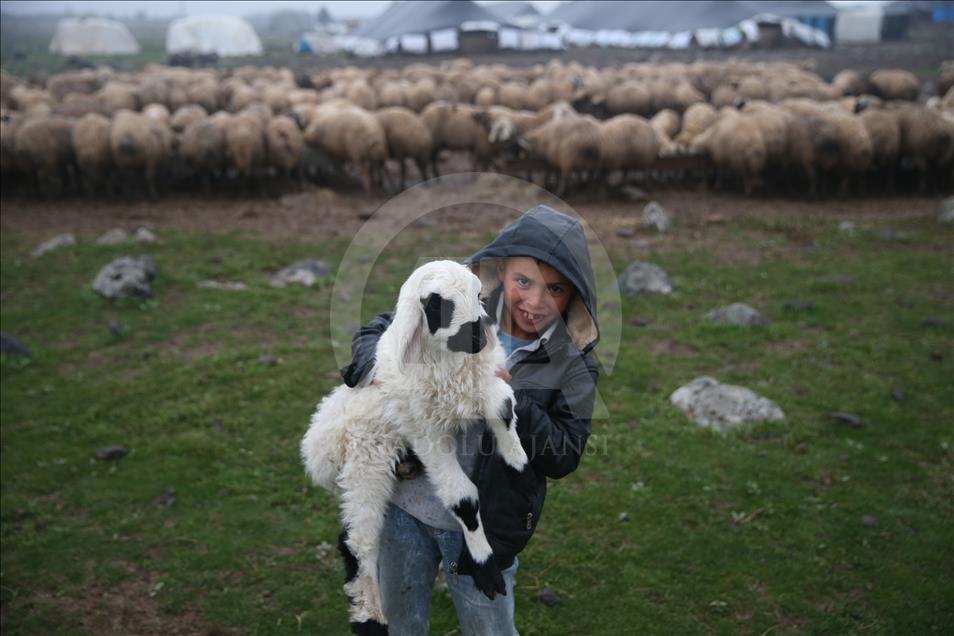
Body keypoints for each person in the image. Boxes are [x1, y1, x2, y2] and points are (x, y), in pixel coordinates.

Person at [339, 204, 600, 635]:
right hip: (407, 504)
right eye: (523, 281)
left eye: (554, 289)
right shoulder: (460, 304)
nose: (534, 301)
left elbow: (563, 455)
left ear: (574, 294)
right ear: (502, 271)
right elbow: (379, 331)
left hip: (489, 524)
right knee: (402, 621)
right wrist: (379, 367)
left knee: (488, 627)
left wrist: (511, 395)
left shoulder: (571, 365)